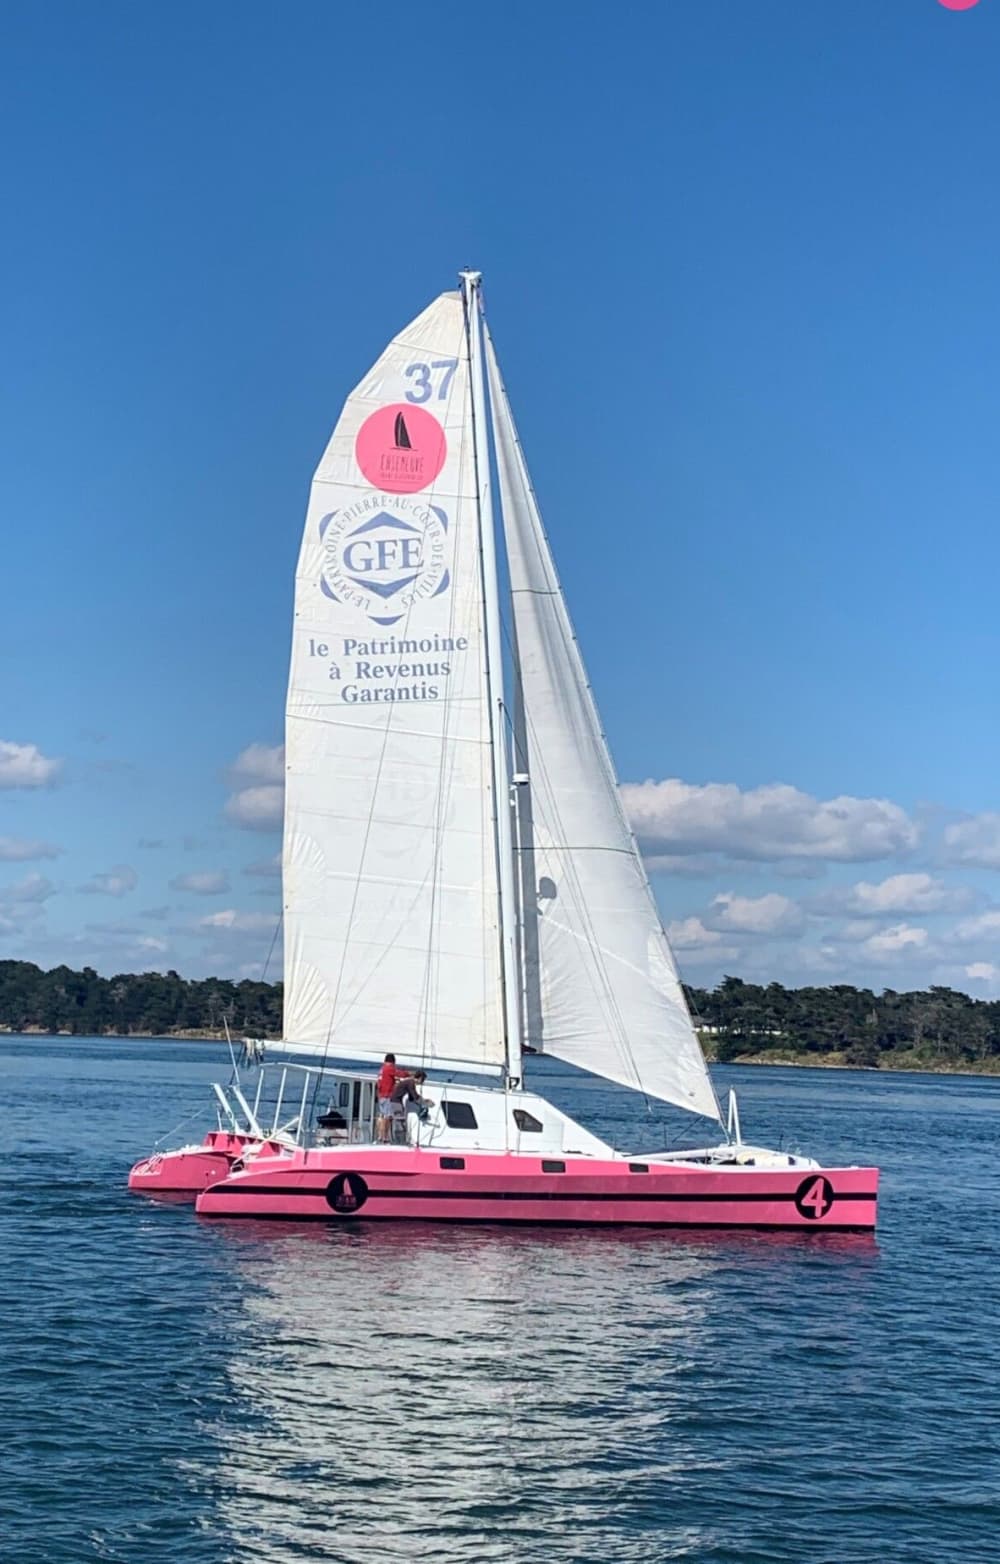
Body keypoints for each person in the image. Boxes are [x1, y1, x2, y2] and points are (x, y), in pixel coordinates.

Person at [388, 1070, 427, 1141]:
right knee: (399, 1120)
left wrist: (418, 1102)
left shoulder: (409, 1082)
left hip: (397, 1102)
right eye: (422, 1080)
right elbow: (414, 1095)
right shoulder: (410, 1083)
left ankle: (400, 1139)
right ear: (420, 1078)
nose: (422, 1083)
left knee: (400, 1120)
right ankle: (399, 1140)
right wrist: (424, 1101)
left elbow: (411, 1097)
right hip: (396, 1102)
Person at [375, 1053, 399, 1142]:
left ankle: (380, 1136)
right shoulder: (389, 1068)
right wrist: (410, 1074)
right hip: (387, 1096)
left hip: (381, 1096)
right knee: (387, 1117)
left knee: (381, 1116)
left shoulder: (381, 1070)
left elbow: (379, 1083)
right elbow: (398, 1073)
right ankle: (385, 1137)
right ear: (392, 1062)